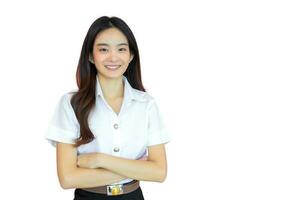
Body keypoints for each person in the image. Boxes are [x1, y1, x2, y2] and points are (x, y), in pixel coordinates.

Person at [45, 16, 171, 200]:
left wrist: (100, 161)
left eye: (121, 49)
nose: (113, 57)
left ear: (131, 55)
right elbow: (67, 178)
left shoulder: (147, 105)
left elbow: (159, 172)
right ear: (90, 55)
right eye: (103, 49)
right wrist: (139, 169)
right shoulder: (71, 104)